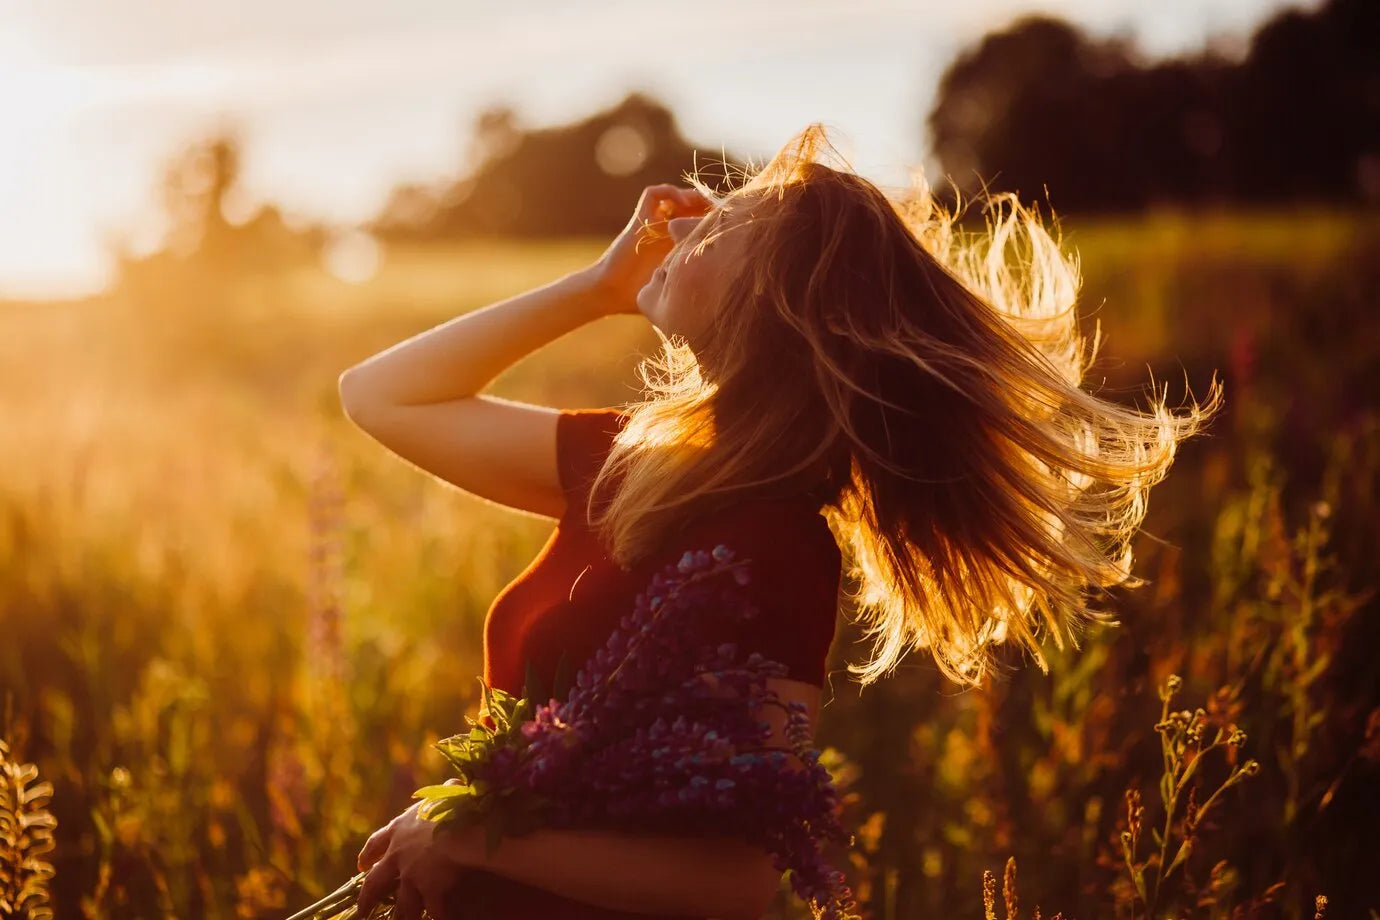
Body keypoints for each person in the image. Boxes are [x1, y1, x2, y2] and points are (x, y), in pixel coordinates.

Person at [337, 123, 1222, 920]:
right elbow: (378, 396)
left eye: (722, 226)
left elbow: (734, 883)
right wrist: (595, 288)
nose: (680, 230)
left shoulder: (774, 550)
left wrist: (469, 839)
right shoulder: (636, 465)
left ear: (778, 300)